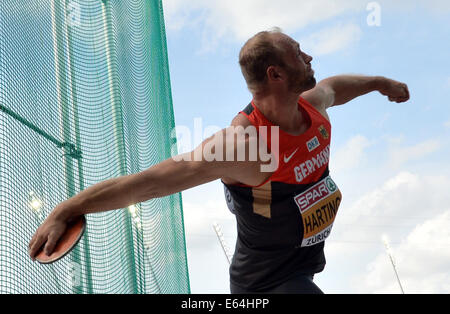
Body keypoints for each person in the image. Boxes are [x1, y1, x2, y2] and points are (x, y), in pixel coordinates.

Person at [28, 29, 410, 294]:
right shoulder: (244, 146)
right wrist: (70, 207)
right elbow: (153, 181)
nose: (309, 57)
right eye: (298, 53)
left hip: (299, 267)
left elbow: (337, 87)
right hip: (265, 284)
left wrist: (379, 83)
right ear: (275, 74)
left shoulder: (312, 106)